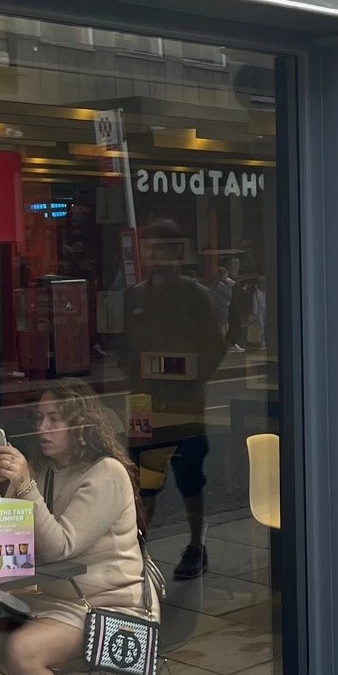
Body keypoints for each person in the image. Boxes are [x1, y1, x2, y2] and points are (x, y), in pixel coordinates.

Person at [0, 381, 157, 675]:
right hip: (52, 600)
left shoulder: (105, 473)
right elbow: (4, 546)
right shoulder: (44, 473)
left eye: (54, 419)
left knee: (23, 650)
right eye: (39, 418)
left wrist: (24, 486)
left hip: (110, 611)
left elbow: (60, 546)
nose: (41, 428)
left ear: (80, 425)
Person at [124, 219, 226, 579]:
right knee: (143, 481)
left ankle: (197, 545)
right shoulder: (134, 297)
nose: (158, 255)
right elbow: (122, 347)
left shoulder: (195, 295)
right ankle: (137, 552)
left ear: (177, 253)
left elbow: (215, 346)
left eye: (167, 248)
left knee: (189, 478)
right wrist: (135, 378)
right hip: (145, 406)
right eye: (152, 247)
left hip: (184, 405)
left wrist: (191, 378)